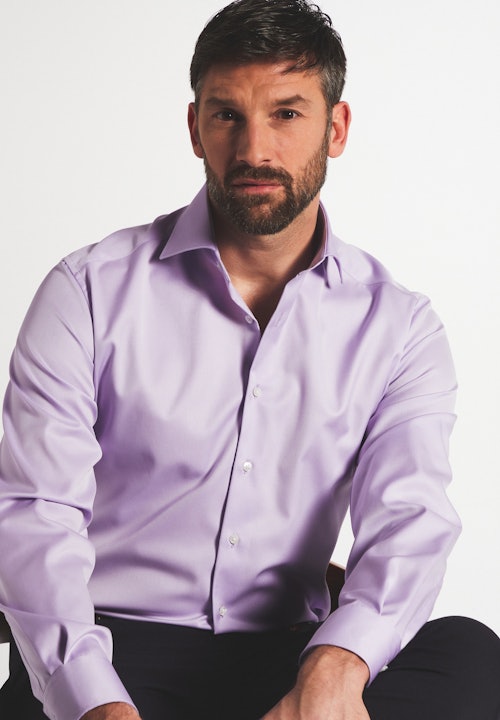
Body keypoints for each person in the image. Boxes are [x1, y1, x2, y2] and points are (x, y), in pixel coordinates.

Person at [0, 0, 499, 718]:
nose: (255, 149)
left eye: (286, 114)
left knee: (470, 656)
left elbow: (408, 523)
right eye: (227, 114)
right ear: (195, 128)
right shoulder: (87, 291)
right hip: (115, 646)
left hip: (288, 655)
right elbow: (34, 513)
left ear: (336, 128)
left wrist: (337, 667)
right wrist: (97, 704)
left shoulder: (399, 327)